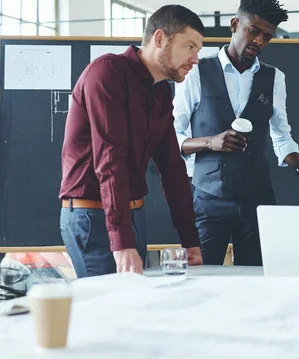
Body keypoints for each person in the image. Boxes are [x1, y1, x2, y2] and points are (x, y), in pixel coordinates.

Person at [173, 0, 299, 266]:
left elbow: (281, 134)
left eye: (267, 36)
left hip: (257, 198)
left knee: (255, 278)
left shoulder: (274, 77)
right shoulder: (197, 72)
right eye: (253, 31)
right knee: (201, 276)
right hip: (209, 197)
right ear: (235, 25)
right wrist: (210, 141)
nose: (259, 41)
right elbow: (172, 136)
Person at [59, 5, 205, 278]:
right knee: (106, 311)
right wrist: (122, 241)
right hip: (93, 217)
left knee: (133, 309)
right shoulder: (106, 73)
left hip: (132, 216)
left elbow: (173, 169)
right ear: (160, 39)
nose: (195, 58)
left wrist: (190, 239)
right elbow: (110, 159)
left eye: (198, 49)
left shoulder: (160, 93)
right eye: (190, 47)